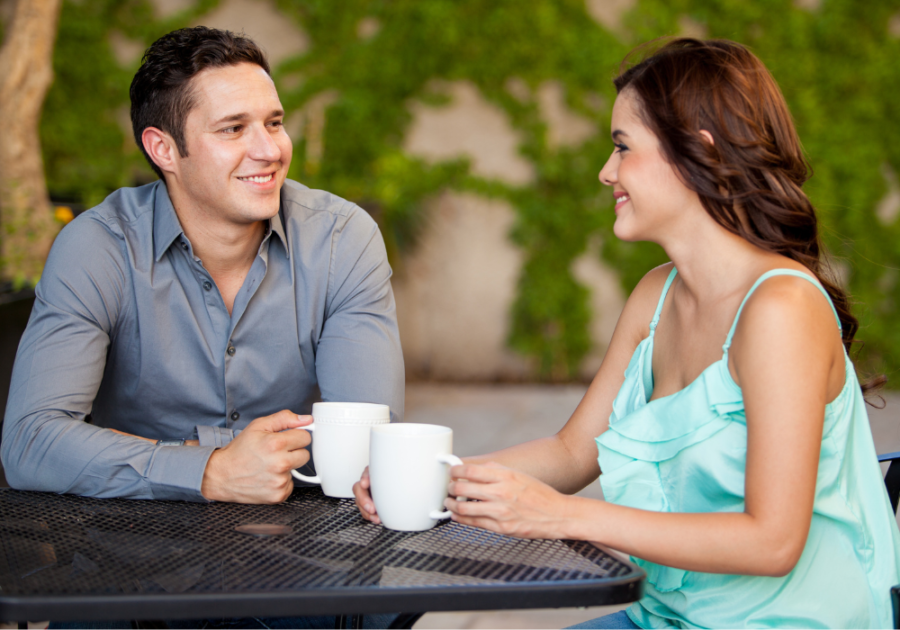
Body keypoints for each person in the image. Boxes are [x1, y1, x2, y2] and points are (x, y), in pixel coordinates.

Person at [355, 38, 900, 628]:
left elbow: (772, 543)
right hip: (667, 616)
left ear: (698, 151)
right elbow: (571, 453)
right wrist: (428, 480)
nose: (605, 171)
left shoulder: (781, 308)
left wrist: (563, 517)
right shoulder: (657, 293)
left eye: (622, 147)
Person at [1, 26, 403, 507]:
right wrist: (210, 470)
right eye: (233, 129)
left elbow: (370, 443)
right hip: (133, 549)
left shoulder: (341, 240)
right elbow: (30, 442)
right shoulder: (99, 247)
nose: (271, 150)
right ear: (163, 149)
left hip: (303, 538)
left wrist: (183, 457)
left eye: (274, 123)